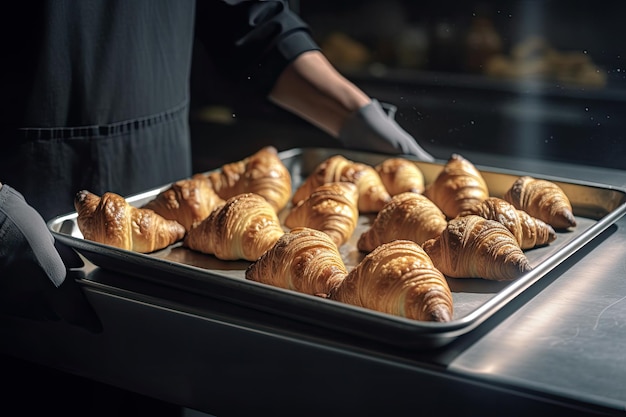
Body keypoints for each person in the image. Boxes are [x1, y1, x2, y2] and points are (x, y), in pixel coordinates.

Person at [0, 1, 434, 415]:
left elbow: (245, 16)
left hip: (170, 211)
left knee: (154, 386)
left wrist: (353, 112)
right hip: (24, 196)